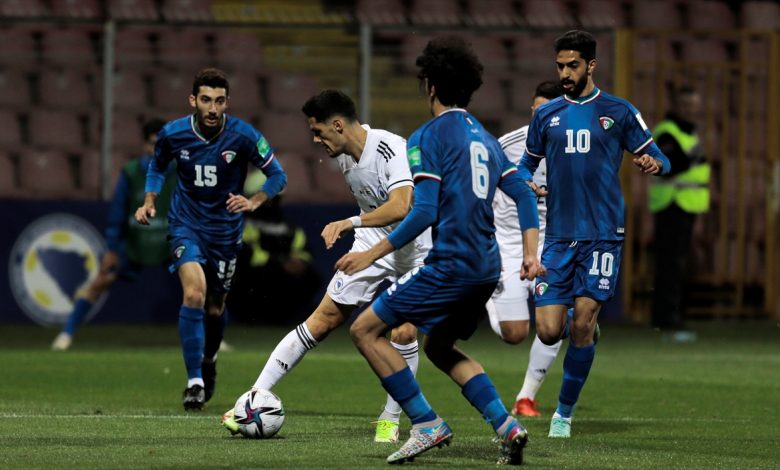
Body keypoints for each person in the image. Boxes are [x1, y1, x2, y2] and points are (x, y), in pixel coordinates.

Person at [337, 36, 543, 465]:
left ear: (430, 86)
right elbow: (524, 194)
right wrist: (530, 254)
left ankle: (425, 423)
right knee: (439, 347)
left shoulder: (426, 136)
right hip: (487, 268)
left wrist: (371, 254)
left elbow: (424, 210)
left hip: (451, 264)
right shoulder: (486, 138)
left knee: (364, 330)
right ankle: (507, 426)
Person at [222, 90, 428, 444]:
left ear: (337, 125)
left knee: (404, 333)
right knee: (322, 319)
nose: (316, 141)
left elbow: (401, 207)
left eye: (318, 132)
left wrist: (350, 222)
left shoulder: (390, 148)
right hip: (371, 241)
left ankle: (391, 418)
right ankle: (252, 400)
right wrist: (362, 231)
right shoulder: (344, 154)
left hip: (414, 249)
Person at [518, 30, 671, 438]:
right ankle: (578, 320)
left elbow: (660, 157)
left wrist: (654, 164)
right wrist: (525, 182)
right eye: (560, 66)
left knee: (582, 326)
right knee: (549, 330)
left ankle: (563, 414)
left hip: (603, 234)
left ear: (591, 65)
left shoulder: (619, 111)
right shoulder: (546, 115)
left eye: (572, 66)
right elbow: (524, 166)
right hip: (558, 236)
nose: (565, 74)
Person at [135, 68, 287, 411]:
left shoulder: (244, 135)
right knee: (194, 294)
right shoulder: (173, 133)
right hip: (185, 225)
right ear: (193, 100)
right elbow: (157, 166)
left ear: (227, 102)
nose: (213, 108)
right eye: (206, 100)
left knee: (215, 307)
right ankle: (194, 382)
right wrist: (149, 200)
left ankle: (209, 359)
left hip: (225, 232)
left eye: (219, 101)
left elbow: (278, 175)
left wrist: (254, 201)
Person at [51, 118, 172, 351]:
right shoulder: (131, 173)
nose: (157, 149)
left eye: (162, 144)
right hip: (135, 242)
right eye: (152, 144)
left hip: (170, 242)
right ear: (144, 145)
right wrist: (113, 249)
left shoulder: (179, 170)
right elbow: (117, 214)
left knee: (199, 284)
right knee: (101, 280)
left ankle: (214, 339)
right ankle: (66, 333)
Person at [486, 80, 566, 417]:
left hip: (553, 243)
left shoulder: (576, 148)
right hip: (508, 242)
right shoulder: (508, 145)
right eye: (537, 111)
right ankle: (489, 294)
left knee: (552, 326)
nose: (541, 118)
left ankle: (526, 397)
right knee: (515, 333)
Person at [649, 85, 709, 341]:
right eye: (686, 105)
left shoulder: (688, 132)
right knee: (670, 264)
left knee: (678, 264)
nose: (691, 110)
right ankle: (666, 318)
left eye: (694, 106)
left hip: (687, 205)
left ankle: (671, 315)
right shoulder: (667, 131)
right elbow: (670, 166)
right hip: (671, 203)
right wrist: (692, 155)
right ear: (676, 106)